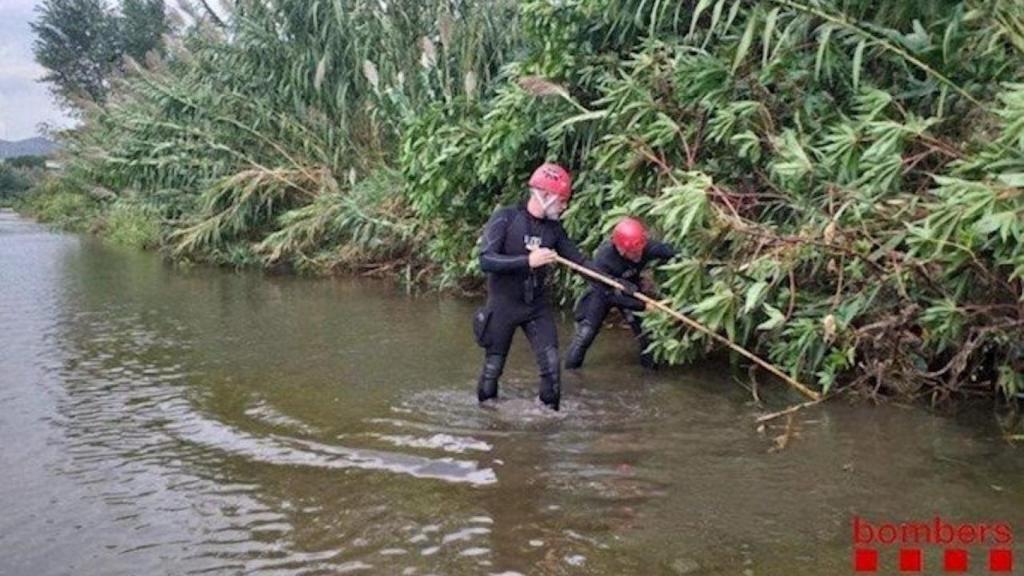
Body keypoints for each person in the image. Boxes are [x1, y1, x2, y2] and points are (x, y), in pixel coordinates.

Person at [473, 162, 589, 411]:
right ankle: (487, 421)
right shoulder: (505, 217)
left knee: (551, 367)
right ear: (544, 195)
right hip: (502, 305)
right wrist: (528, 261)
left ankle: (548, 422)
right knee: (493, 369)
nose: (564, 206)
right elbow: (486, 260)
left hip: (536, 307)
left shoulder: (554, 229)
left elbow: (580, 262)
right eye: (562, 200)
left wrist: (620, 284)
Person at [564, 217, 676, 370]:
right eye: (632, 253)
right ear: (621, 249)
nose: (638, 255)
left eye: (640, 251)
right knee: (585, 335)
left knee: (645, 335)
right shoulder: (604, 257)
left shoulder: (644, 247)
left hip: (631, 290)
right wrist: (644, 305)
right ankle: (571, 371)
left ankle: (650, 371)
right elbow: (608, 292)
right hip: (603, 293)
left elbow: (671, 252)